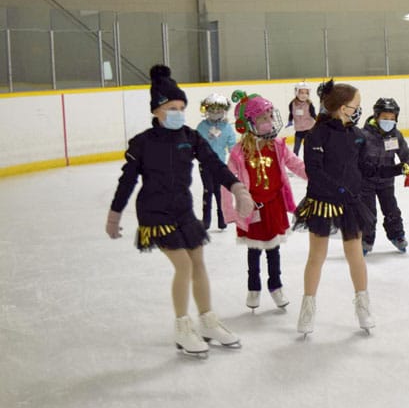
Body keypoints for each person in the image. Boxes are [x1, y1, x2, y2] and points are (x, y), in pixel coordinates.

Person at [105, 65, 254, 358]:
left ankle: (208, 321)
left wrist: (237, 188)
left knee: (198, 262)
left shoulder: (190, 136)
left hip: (183, 211)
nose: (178, 112)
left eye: (182, 107)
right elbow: (127, 181)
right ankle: (182, 327)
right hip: (155, 213)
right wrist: (115, 214)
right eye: (172, 107)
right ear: (157, 110)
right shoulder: (143, 143)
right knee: (184, 265)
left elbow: (214, 164)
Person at [292, 81, 401, 336]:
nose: (359, 110)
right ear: (342, 108)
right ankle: (307, 307)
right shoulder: (316, 135)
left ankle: (363, 306)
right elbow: (314, 172)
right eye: (356, 106)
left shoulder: (356, 136)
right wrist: (339, 190)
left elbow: (366, 169)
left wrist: (395, 169)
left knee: (355, 255)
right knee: (316, 257)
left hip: (350, 203)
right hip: (323, 202)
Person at [221, 90, 307, 312]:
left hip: (274, 206)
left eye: (270, 116)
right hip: (252, 208)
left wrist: (315, 176)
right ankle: (253, 287)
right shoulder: (239, 152)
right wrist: (230, 212)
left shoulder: (278, 145)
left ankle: (276, 286)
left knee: (274, 250)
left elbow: (296, 164)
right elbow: (226, 180)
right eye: (262, 118)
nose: (269, 122)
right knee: (254, 250)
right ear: (249, 123)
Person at [359, 97, 409, 255]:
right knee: (368, 213)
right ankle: (366, 239)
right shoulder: (364, 135)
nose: (388, 121)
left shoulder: (395, 136)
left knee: (392, 210)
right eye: (385, 118)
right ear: (376, 116)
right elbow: (354, 158)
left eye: (392, 119)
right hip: (366, 183)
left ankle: (397, 235)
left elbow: (406, 155)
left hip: (386, 182)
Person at [196, 93, 237, 231]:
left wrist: (239, 160)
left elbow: (232, 146)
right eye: (212, 110)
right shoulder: (201, 126)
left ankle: (222, 218)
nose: (215, 113)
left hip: (220, 165)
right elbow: (196, 143)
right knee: (208, 190)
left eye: (218, 110)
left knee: (219, 192)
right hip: (205, 165)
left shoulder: (227, 128)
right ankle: (206, 219)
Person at [286, 81, 316, 156]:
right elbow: (291, 113)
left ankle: (309, 160)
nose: (304, 95)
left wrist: (318, 123)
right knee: (296, 148)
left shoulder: (309, 104)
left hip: (309, 129)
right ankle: (295, 160)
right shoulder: (292, 104)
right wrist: (290, 121)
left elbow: (313, 115)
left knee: (308, 147)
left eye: (306, 93)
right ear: (296, 92)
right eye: (301, 93)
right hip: (299, 130)